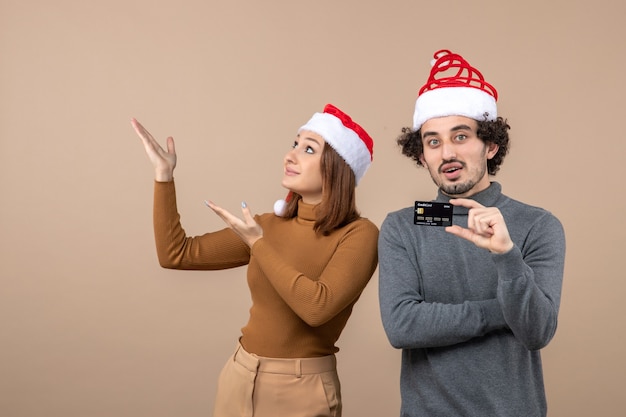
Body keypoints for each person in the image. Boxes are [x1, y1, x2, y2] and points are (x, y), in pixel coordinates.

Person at [131, 103, 378, 417]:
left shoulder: (359, 234)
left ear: (337, 166)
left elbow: (317, 308)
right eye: (294, 144)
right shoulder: (266, 227)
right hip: (239, 375)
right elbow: (176, 254)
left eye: (308, 149)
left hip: (302, 390)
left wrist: (258, 245)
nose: (290, 155)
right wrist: (163, 176)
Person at [378, 49, 566, 417]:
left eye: (460, 136)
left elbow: (537, 330)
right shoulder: (403, 226)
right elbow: (401, 326)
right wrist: (500, 312)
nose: (447, 152)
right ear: (422, 155)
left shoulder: (538, 225)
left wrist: (507, 256)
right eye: (433, 141)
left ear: (491, 145)